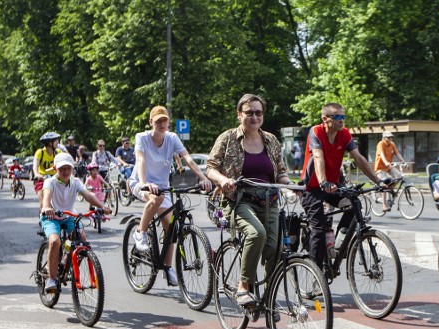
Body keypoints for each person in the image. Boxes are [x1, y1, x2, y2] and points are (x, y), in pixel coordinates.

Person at [207, 94, 295, 306]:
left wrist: (289, 186)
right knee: (257, 234)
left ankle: (268, 298)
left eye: (258, 112)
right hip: (239, 200)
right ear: (239, 115)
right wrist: (224, 180)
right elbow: (211, 167)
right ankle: (243, 287)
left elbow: (280, 172)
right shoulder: (227, 138)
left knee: (275, 249)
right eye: (249, 112)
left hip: (269, 200)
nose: (254, 116)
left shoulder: (271, 140)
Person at [300, 102, 387, 276]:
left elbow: (359, 159)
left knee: (354, 204)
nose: (342, 120)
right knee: (318, 228)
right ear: (325, 119)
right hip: (312, 187)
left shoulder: (345, 134)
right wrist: (324, 182)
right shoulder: (316, 132)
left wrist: (379, 181)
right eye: (338, 117)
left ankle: (339, 243)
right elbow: (318, 156)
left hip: (334, 185)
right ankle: (317, 277)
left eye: (343, 117)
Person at [129, 106, 212, 285]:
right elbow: (140, 159)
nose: (162, 124)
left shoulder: (172, 138)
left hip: (162, 186)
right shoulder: (142, 138)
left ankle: (167, 267)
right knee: (155, 199)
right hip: (140, 182)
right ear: (151, 122)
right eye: (158, 121)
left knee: (171, 227)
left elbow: (187, 158)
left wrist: (203, 178)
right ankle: (140, 232)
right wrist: (144, 183)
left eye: (164, 120)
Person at [40, 153, 110, 292]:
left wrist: (101, 206)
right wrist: (47, 206)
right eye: (62, 169)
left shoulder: (76, 182)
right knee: (55, 241)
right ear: (55, 169)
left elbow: (88, 195)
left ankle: (68, 261)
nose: (65, 171)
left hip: (70, 216)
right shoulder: (50, 182)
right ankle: (51, 279)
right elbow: (47, 196)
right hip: (52, 217)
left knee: (82, 240)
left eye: (68, 168)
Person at [374, 130, 407, 211]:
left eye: (391, 137)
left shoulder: (392, 144)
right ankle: (384, 205)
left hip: (389, 166)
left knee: (399, 176)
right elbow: (381, 154)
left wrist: (404, 162)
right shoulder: (380, 144)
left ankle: (391, 189)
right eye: (388, 137)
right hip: (380, 167)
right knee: (384, 185)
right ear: (383, 138)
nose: (390, 139)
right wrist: (386, 162)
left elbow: (397, 154)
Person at [33, 132, 62, 214]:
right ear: (50, 143)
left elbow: (64, 163)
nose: (58, 143)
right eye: (56, 141)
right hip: (42, 179)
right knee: (43, 201)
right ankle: (41, 218)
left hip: (54, 178)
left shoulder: (58, 152)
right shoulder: (40, 152)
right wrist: (37, 174)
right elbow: (35, 165)